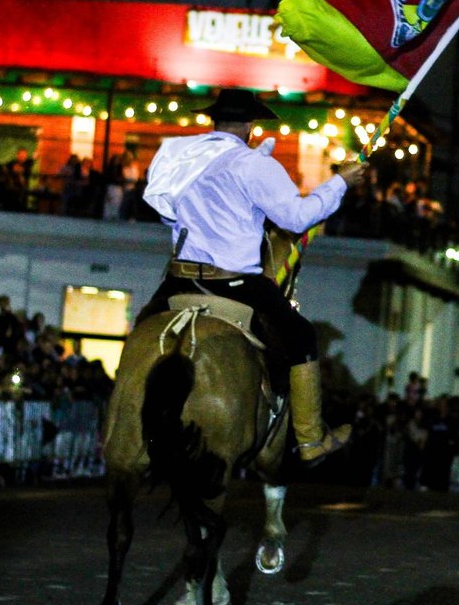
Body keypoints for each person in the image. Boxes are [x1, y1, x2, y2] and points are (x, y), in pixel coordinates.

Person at [137, 86, 367, 464]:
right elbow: (295, 218)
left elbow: (165, 212)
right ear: (250, 125)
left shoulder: (178, 154)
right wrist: (340, 182)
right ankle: (310, 439)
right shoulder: (251, 164)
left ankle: (128, 421)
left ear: (214, 120)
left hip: (180, 278)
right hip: (235, 282)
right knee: (301, 335)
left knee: (143, 332)